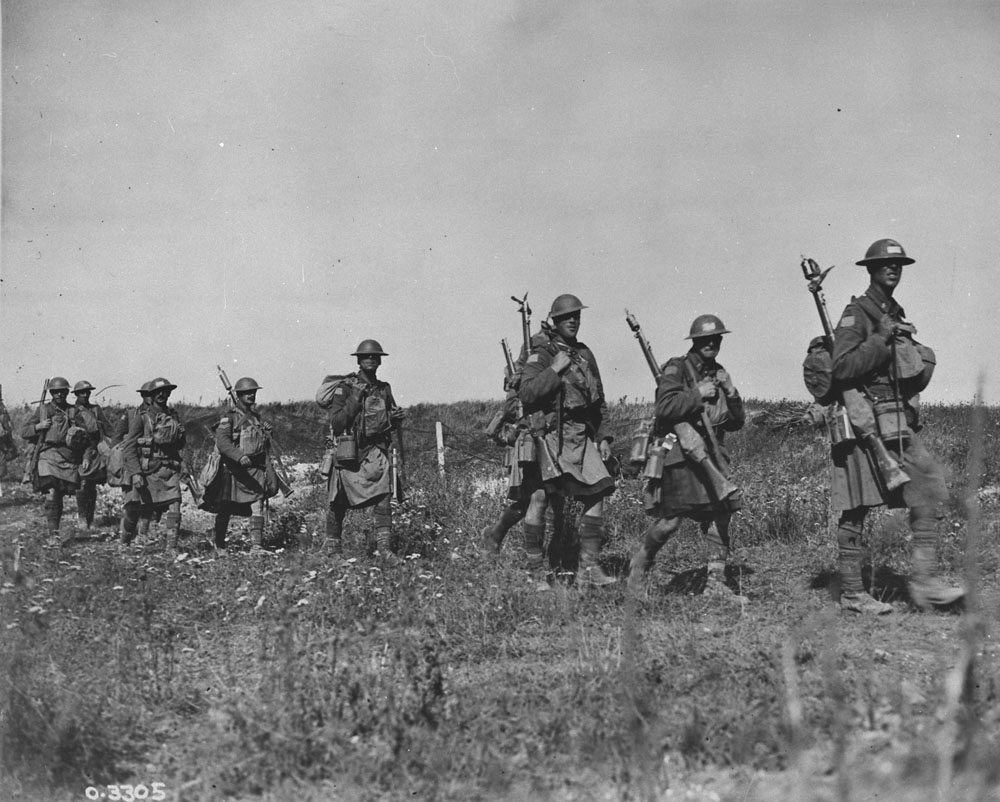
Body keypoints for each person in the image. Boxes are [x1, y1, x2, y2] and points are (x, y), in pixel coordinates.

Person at [829, 238, 963, 614]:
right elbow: (841, 368)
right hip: (863, 420)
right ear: (870, 270)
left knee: (929, 487)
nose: (893, 269)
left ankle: (924, 584)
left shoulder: (893, 310)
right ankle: (853, 593)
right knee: (857, 505)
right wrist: (880, 337)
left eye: (898, 264)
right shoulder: (857, 313)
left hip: (896, 419)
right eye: (886, 264)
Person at [628, 314, 747, 600]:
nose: (711, 343)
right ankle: (638, 571)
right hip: (681, 454)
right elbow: (665, 407)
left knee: (721, 515)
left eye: (716, 339)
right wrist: (696, 394)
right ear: (695, 341)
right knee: (671, 521)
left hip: (713, 455)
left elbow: (735, 422)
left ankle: (716, 585)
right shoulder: (677, 368)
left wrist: (730, 392)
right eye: (705, 339)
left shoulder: (718, 372)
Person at [518, 294, 616, 587]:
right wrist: (554, 369)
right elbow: (528, 393)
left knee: (597, 491)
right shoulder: (542, 352)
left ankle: (589, 566)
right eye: (566, 317)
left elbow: (598, 399)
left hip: (580, 433)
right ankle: (534, 571)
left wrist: (604, 435)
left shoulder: (585, 353)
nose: (573, 321)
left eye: (576, 316)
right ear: (555, 320)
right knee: (539, 499)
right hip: (548, 434)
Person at [481, 326, 570, 588]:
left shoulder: (554, 367)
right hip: (531, 442)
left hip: (555, 440)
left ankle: (496, 535)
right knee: (538, 500)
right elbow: (512, 407)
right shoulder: (522, 376)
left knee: (536, 503)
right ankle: (536, 571)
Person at [315, 340, 405, 557]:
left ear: (380, 361)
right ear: (358, 360)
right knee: (338, 502)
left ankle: (384, 551)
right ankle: (332, 550)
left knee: (384, 497)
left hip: (375, 452)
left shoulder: (384, 389)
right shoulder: (345, 388)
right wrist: (355, 397)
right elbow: (337, 422)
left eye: (375, 357)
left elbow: (385, 422)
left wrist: (395, 418)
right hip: (349, 453)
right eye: (367, 357)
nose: (371, 360)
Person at [200, 377, 278, 553]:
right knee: (226, 508)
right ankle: (219, 544)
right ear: (239, 395)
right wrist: (238, 455)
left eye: (253, 392)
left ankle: (257, 546)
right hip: (234, 470)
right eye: (247, 393)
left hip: (255, 469)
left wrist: (267, 433)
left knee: (257, 503)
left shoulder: (257, 418)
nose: (251, 395)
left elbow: (262, 444)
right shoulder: (229, 419)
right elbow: (222, 442)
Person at [20, 376, 87, 547]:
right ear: (51, 393)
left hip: (68, 457)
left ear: (66, 392)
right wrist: (38, 427)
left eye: (62, 391)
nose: (59, 395)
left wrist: (85, 456)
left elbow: (86, 437)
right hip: (47, 454)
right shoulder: (42, 410)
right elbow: (24, 431)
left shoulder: (73, 412)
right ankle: (53, 534)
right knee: (52, 493)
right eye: (55, 392)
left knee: (59, 495)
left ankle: (55, 529)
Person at [122, 377, 187, 553]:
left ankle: (171, 548)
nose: (161, 395)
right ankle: (131, 541)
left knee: (175, 504)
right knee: (139, 509)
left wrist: (180, 435)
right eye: (157, 392)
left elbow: (180, 445)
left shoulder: (173, 416)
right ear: (150, 395)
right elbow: (128, 448)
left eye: (165, 392)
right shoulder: (141, 419)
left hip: (169, 469)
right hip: (147, 470)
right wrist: (135, 473)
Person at [110, 381, 153, 547]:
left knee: (149, 502)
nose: (151, 398)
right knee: (132, 504)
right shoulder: (131, 414)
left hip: (152, 463)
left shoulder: (161, 415)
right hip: (132, 463)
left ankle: (143, 534)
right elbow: (116, 439)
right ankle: (125, 538)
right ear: (142, 396)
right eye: (147, 394)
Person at [72, 380, 110, 531]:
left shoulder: (95, 409)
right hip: (77, 452)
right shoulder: (71, 411)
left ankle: (90, 518)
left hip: (94, 450)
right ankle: (82, 518)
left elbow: (107, 427)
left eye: (87, 392)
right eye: (81, 392)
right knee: (82, 485)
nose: (84, 395)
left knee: (92, 485)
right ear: (76, 394)